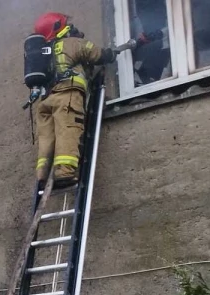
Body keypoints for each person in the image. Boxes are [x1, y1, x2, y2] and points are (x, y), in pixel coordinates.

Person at [32, 12, 138, 187]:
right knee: (68, 130)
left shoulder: (43, 54)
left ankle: (42, 175)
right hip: (66, 96)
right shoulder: (72, 43)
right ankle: (64, 172)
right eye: (67, 24)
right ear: (60, 28)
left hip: (45, 102)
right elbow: (100, 55)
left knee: (46, 138)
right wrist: (112, 53)